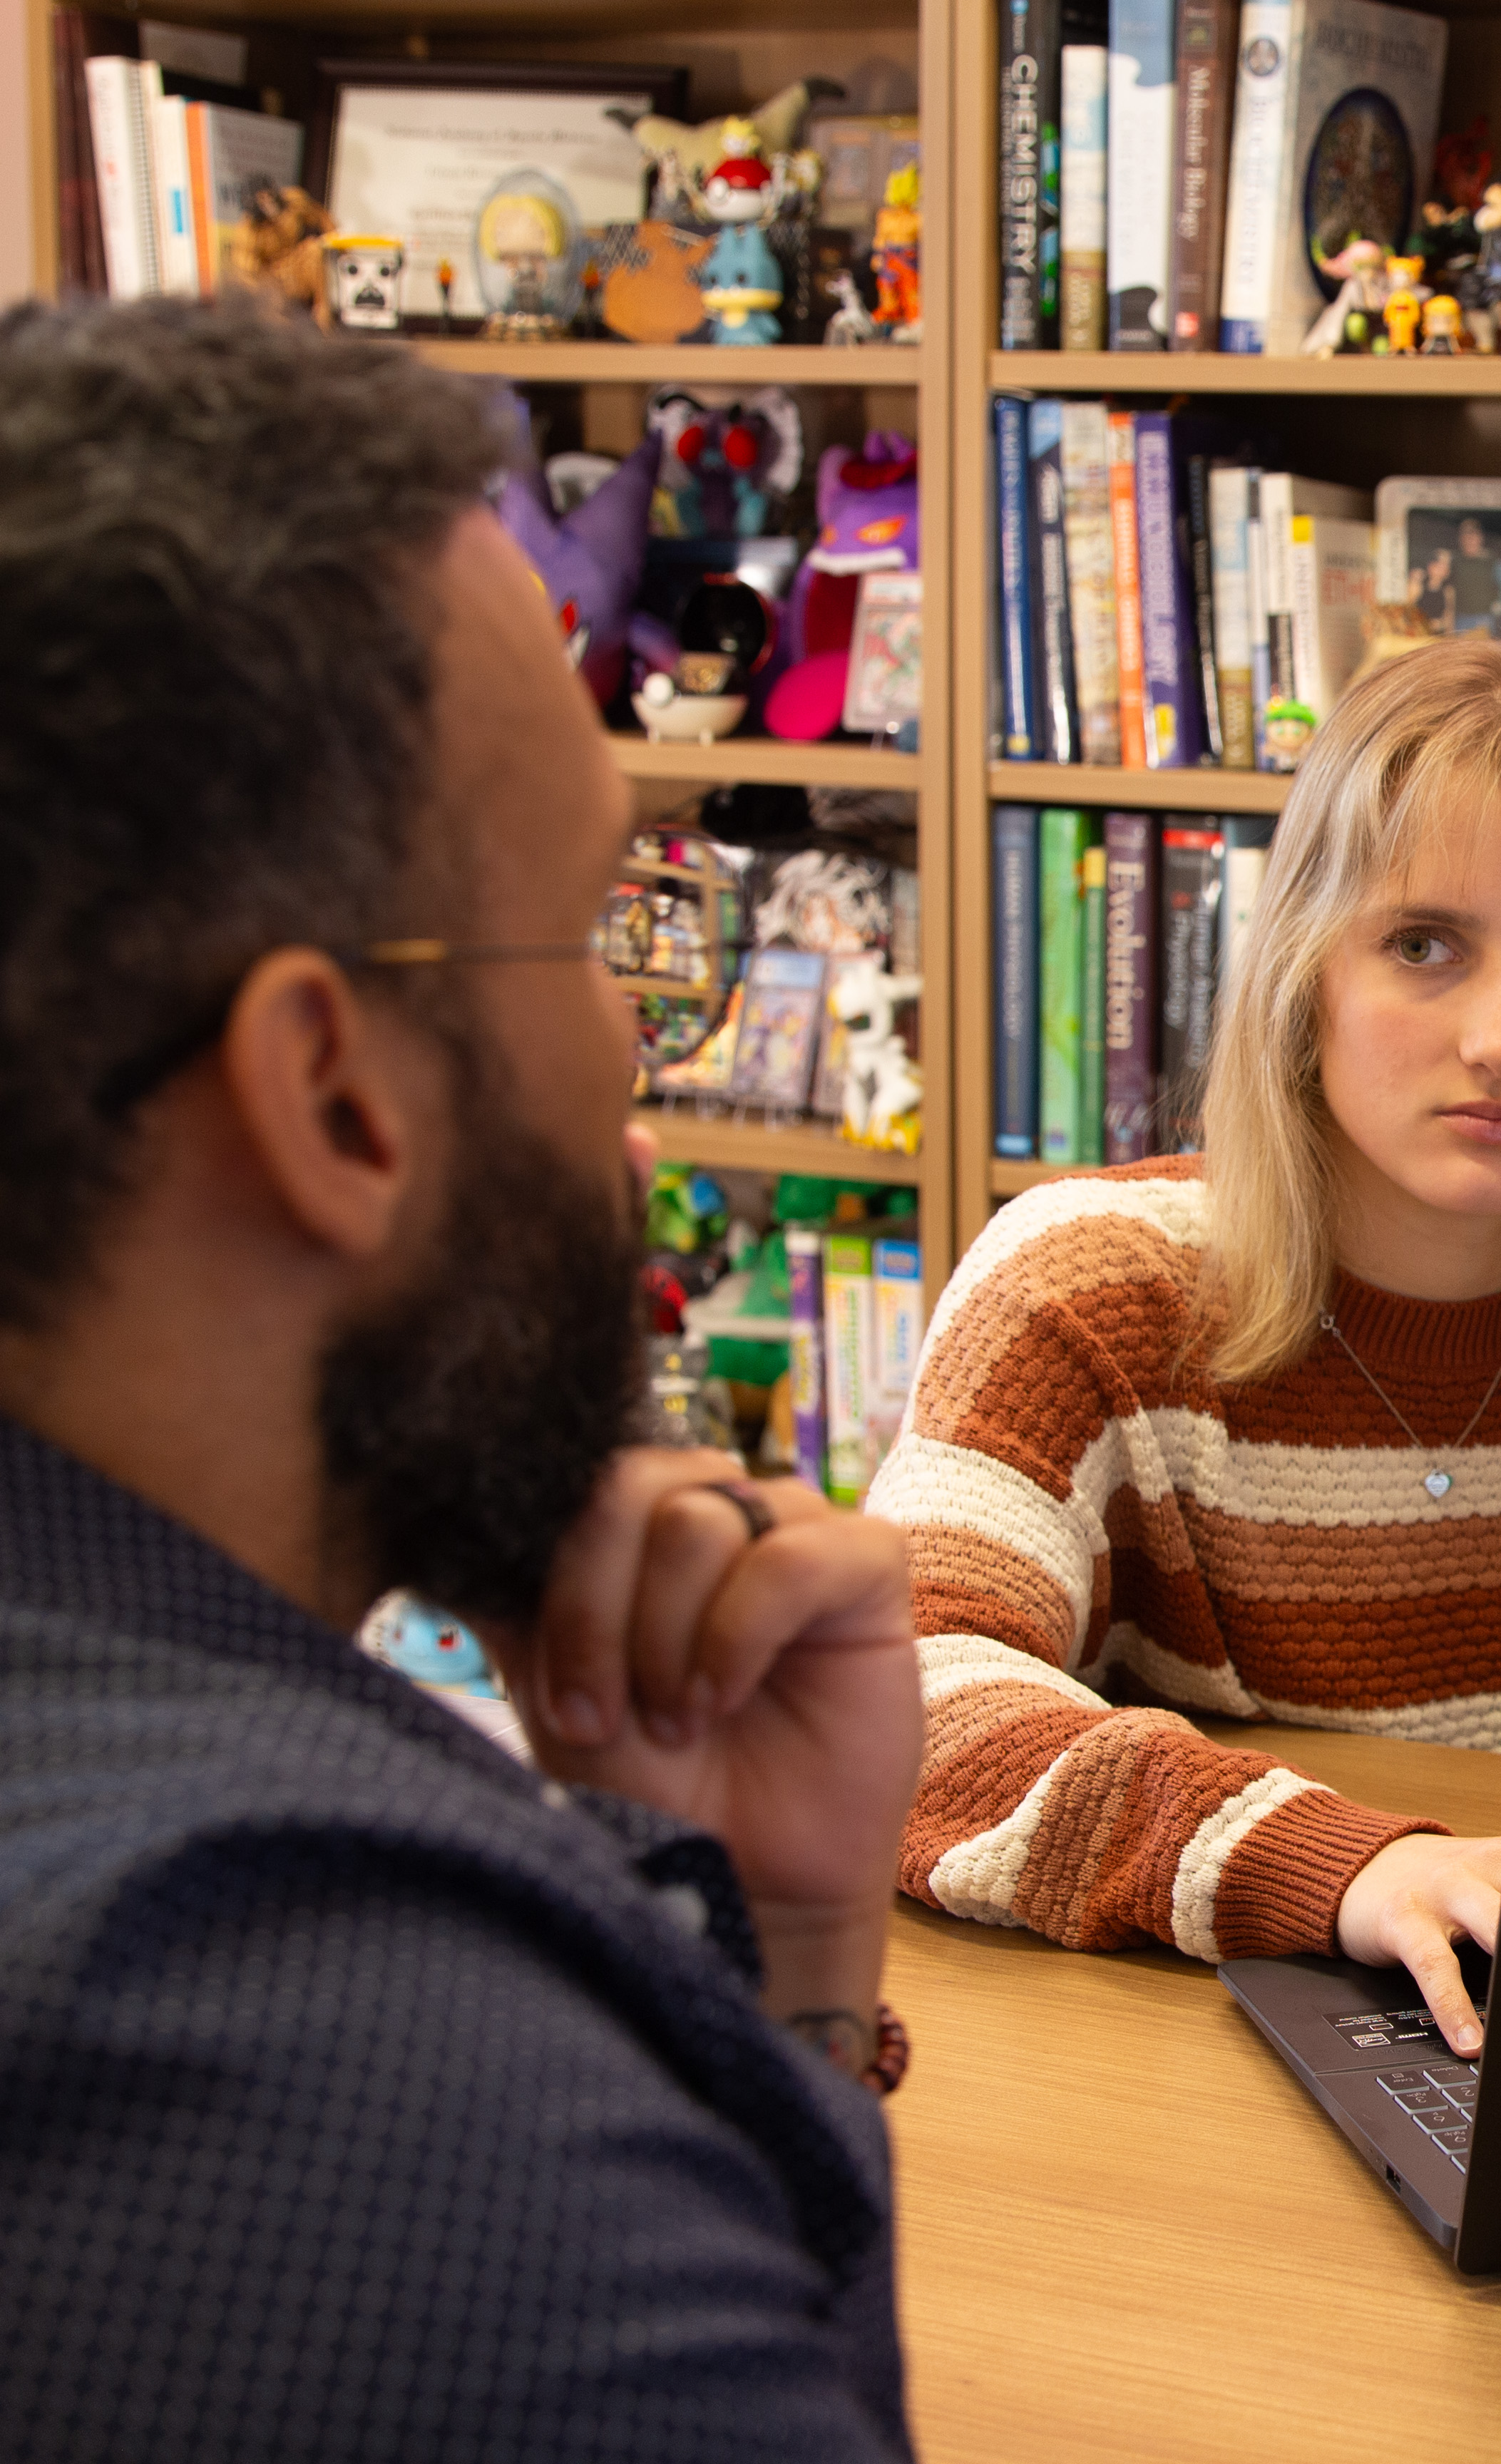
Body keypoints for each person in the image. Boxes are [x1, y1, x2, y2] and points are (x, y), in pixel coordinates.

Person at [0, 301, 923, 2454]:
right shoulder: (338, 2081)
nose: (639, 1046)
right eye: (599, 928)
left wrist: (780, 1953)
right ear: (333, 1100)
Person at [868, 635, 1501, 2057]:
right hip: (1187, 2067)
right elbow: (891, 1703)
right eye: (1423, 946)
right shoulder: (1086, 1292)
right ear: (1306, 974)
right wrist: (1342, 1866)